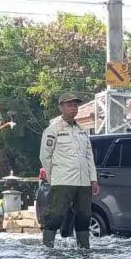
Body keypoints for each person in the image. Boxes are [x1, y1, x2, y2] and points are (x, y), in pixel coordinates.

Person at [39, 93, 99, 249]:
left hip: (83, 182)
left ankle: (84, 248)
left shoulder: (82, 130)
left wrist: (93, 179)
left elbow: (89, 156)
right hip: (62, 180)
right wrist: (53, 177)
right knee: (56, 215)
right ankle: (47, 247)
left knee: (84, 216)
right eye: (69, 105)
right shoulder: (53, 129)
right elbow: (45, 156)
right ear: (61, 107)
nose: (73, 108)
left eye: (75, 105)